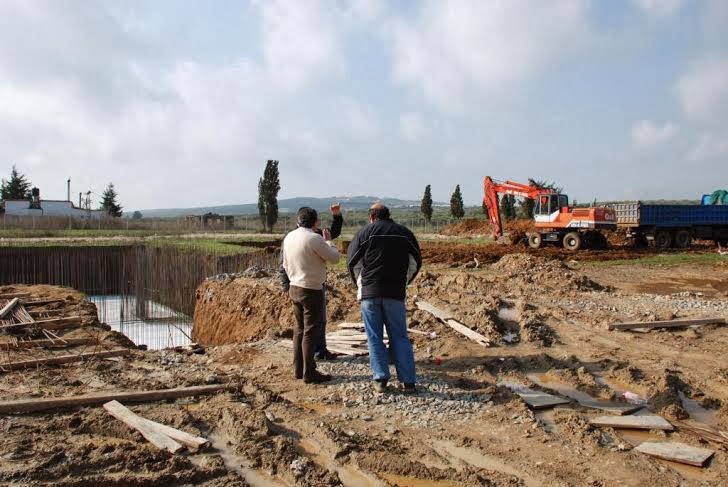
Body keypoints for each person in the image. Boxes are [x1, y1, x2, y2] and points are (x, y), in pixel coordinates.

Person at [346, 203, 421, 394]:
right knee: (400, 336)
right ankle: (409, 382)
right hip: (395, 293)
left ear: (371, 217)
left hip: (370, 294)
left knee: (374, 337)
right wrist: (404, 281)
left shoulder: (365, 233)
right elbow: (416, 261)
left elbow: (352, 262)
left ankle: (380, 379)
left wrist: (360, 285)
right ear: (389, 215)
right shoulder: (404, 233)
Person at [281, 207, 341, 383]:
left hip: (294, 287)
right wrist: (329, 242)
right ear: (315, 223)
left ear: (298, 221)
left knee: (299, 329)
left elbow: (284, 264)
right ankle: (310, 372)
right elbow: (335, 258)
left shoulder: (289, 237)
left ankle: (298, 369)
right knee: (310, 331)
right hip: (311, 289)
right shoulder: (314, 238)